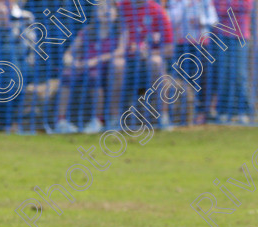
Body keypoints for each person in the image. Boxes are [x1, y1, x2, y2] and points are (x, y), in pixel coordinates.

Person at [53, 0, 127, 134]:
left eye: (110, 9)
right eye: (102, 9)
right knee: (67, 76)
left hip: (103, 69)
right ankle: (61, 121)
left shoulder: (120, 32)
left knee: (94, 77)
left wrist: (95, 61)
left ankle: (98, 120)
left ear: (117, 13)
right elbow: (69, 53)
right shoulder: (87, 32)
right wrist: (71, 61)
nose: (106, 11)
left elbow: (120, 51)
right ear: (95, 13)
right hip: (83, 67)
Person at [111, 0, 174, 128]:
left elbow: (169, 49)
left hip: (147, 65)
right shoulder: (121, 8)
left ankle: (163, 117)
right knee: (117, 65)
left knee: (156, 62)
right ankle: (114, 119)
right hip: (127, 63)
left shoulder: (157, 11)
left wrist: (149, 53)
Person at [0, 0, 34, 132]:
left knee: (9, 54)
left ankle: (4, 121)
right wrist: (0, 26)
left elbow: (28, 47)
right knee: (6, 55)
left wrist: (7, 27)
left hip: (22, 63)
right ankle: (10, 122)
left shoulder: (26, 17)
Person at [166, 0, 217, 124]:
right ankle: (183, 113)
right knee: (182, 79)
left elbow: (213, 20)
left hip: (202, 43)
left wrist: (201, 20)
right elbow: (171, 19)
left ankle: (203, 112)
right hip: (182, 44)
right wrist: (185, 7)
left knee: (203, 78)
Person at [208, 0, 252, 123]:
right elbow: (214, 9)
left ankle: (242, 111)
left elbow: (246, 6)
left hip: (240, 35)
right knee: (224, 74)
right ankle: (223, 111)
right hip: (220, 35)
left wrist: (226, 8)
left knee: (239, 74)